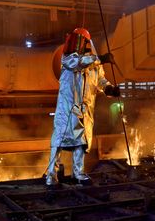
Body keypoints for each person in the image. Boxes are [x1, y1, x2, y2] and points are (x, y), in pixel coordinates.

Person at [46, 27, 120, 186]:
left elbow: (101, 80)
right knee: (58, 141)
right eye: (75, 40)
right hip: (67, 108)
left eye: (79, 41)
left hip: (86, 109)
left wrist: (110, 89)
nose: (76, 44)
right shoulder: (68, 59)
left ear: (86, 43)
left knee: (82, 141)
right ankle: (51, 175)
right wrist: (100, 58)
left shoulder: (95, 63)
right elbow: (78, 63)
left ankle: (78, 174)